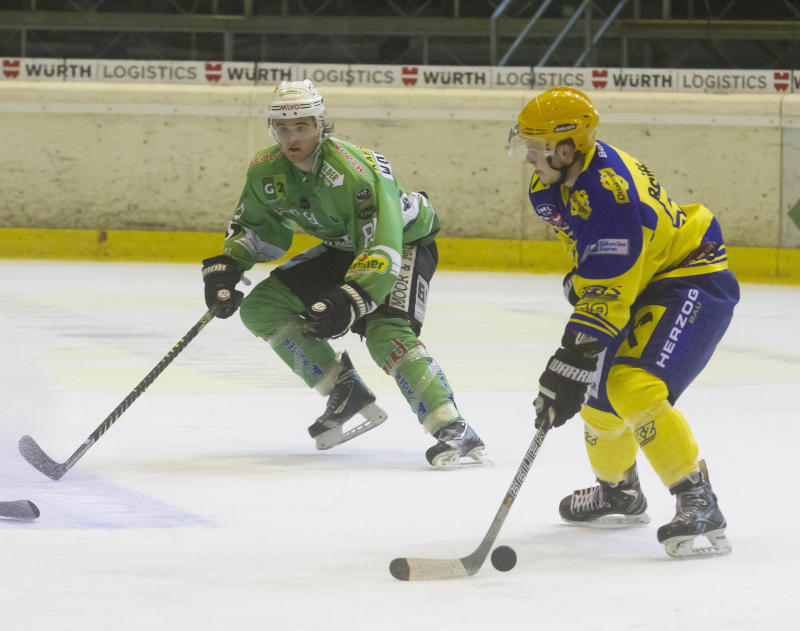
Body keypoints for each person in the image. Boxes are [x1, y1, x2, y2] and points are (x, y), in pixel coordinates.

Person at [201, 79, 486, 469]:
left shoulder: (353, 171)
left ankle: (453, 427)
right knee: (261, 307)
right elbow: (257, 227)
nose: (291, 138)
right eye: (282, 128)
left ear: (320, 125)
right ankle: (345, 389)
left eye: (301, 127)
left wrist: (350, 299)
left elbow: (382, 243)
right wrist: (229, 266)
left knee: (384, 333)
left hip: (401, 242)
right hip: (347, 246)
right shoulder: (266, 169)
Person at [507, 86, 739, 558]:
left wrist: (570, 357)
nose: (529, 157)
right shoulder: (547, 187)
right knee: (597, 404)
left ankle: (698, 498)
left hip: (690, 276)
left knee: (632, 385)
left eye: (538, 146)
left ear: (568, 148)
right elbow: (586, 249)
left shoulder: (609, 194)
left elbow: (609, 291)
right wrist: (583, 279)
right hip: (643, 278)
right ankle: (620, 492)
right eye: (526, 144)